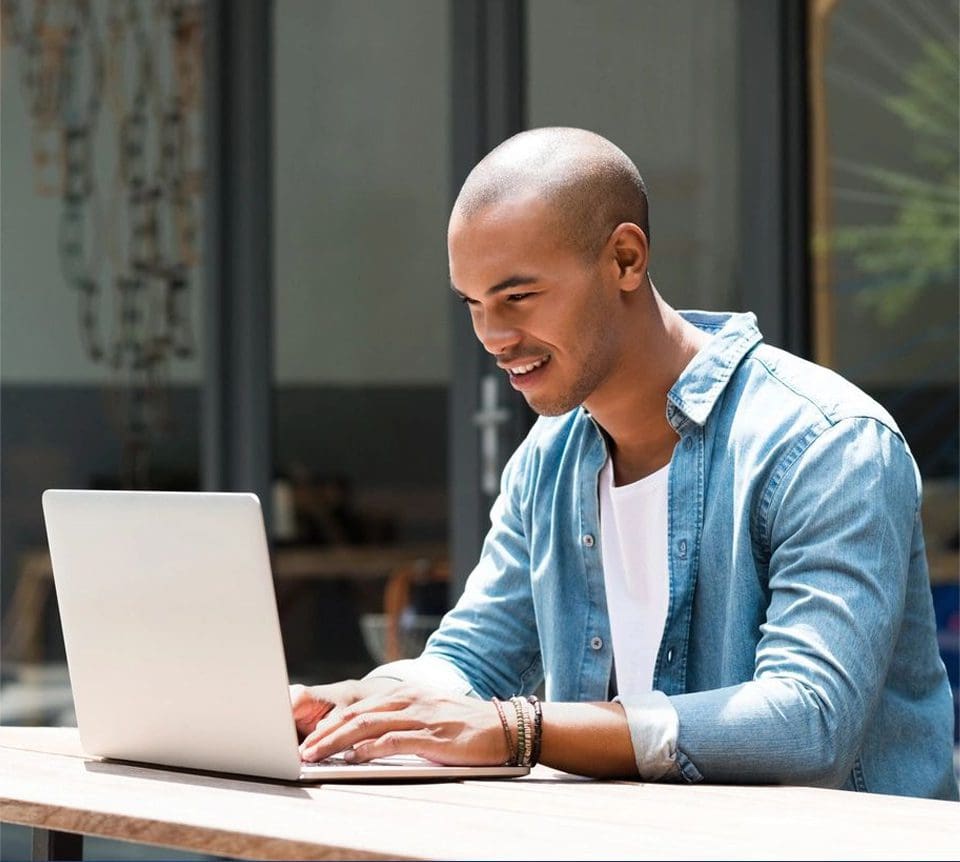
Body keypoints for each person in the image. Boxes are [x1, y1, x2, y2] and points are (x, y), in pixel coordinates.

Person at [291, 127, 958, 800]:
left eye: (518, 297)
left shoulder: (825, 444)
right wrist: (361, 705)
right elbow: (473, 659)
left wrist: (522, 729)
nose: (493, 336)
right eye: (473, 304)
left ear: (625, 259)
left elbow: (809, 721)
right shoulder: (547, 464)